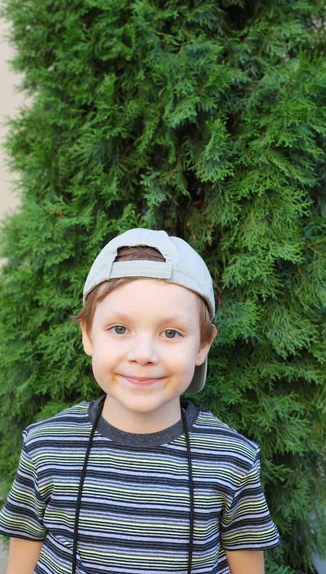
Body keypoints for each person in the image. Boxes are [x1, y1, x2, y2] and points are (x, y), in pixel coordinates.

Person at [0, 228, 280, 574]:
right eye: (119, 329)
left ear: (203, 345)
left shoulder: (232, 460)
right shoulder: (45, 446)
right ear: (87, 334)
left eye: (171, 333)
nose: (144, 354)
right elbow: (20, 560)